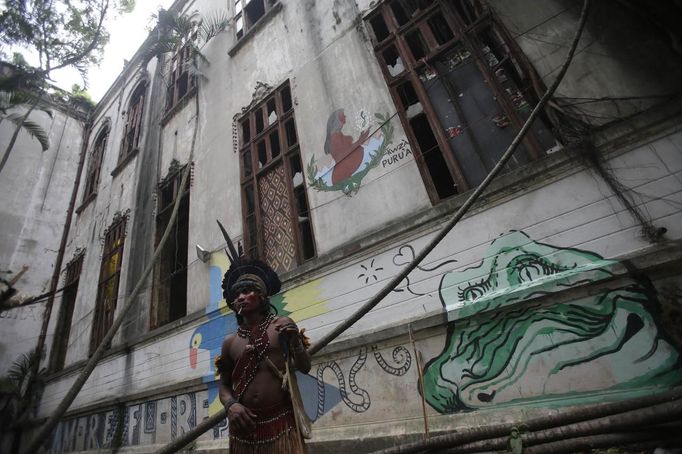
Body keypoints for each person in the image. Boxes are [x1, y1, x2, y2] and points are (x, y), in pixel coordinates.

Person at [216, 257, 311, 453]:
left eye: (247, 291)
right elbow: (224, 385)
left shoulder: (282, 325)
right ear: (233, 304)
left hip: (281, 425)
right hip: (244, 430)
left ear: (261, 296)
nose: (241, 297)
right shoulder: (230, 343)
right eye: (237, 294)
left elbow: (305, 367)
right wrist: (231, 405)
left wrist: (295, 342)